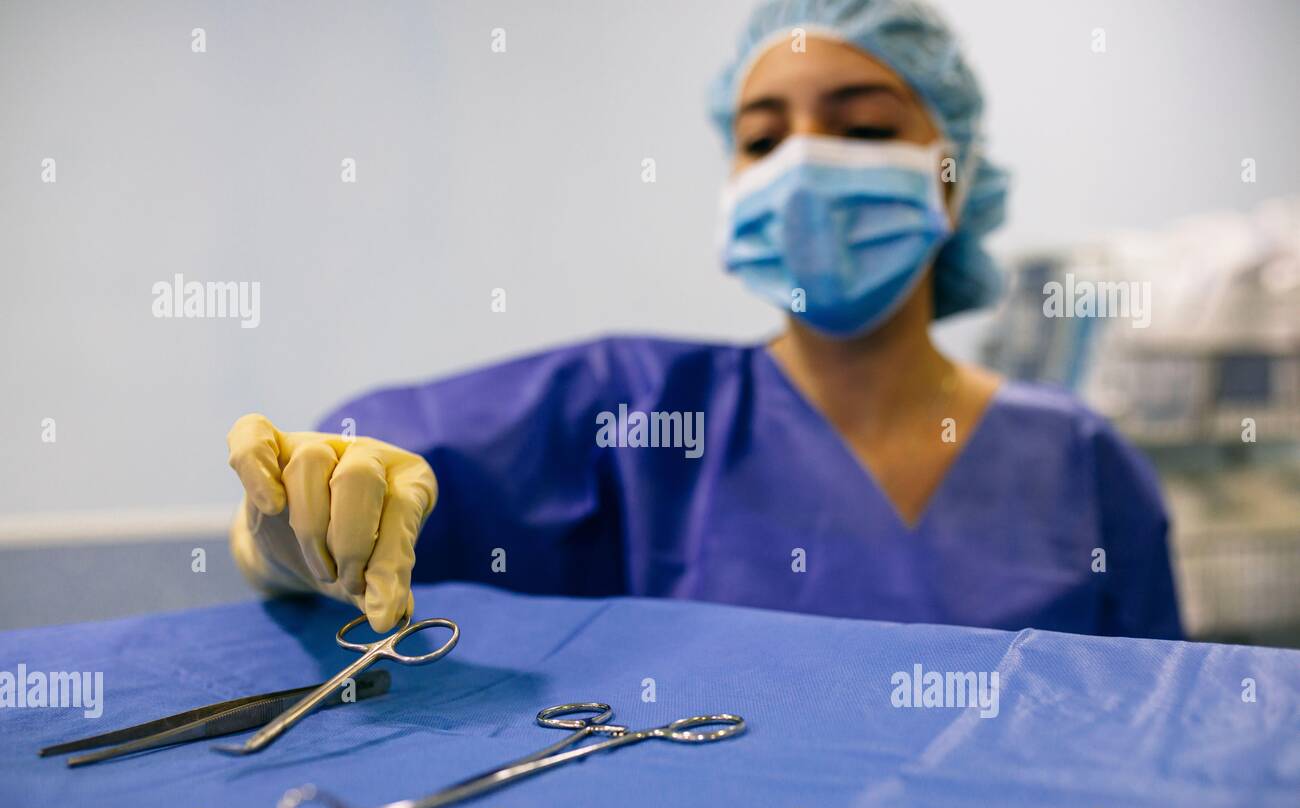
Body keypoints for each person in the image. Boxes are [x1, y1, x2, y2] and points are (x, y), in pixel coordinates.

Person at [226, 0, 1184, 640]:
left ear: (956, 172)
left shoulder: (1080, 468)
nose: (804, 165)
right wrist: (293, 529)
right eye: (763, 138)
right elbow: (382, 463)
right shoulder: (635, 416)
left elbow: (1149, 747)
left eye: (861, 128)